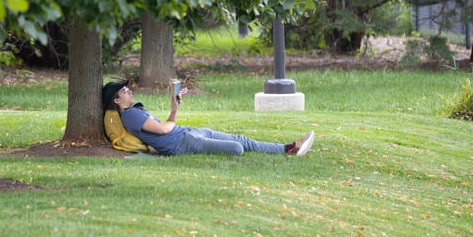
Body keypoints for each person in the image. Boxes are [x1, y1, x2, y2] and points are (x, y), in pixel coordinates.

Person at [101, 80, 314, 156]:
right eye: (124, 91)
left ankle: (288, 148)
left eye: (128, 89)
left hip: (187, 133)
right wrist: (172, 119)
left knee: (241, 139)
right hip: (181, 144)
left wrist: (174, 108)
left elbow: (167, 125)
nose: (129, 91)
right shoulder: (130, 116)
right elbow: (164, 130)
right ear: (116, 101)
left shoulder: (135, 111)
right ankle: (288, 149)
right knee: (237, 149)